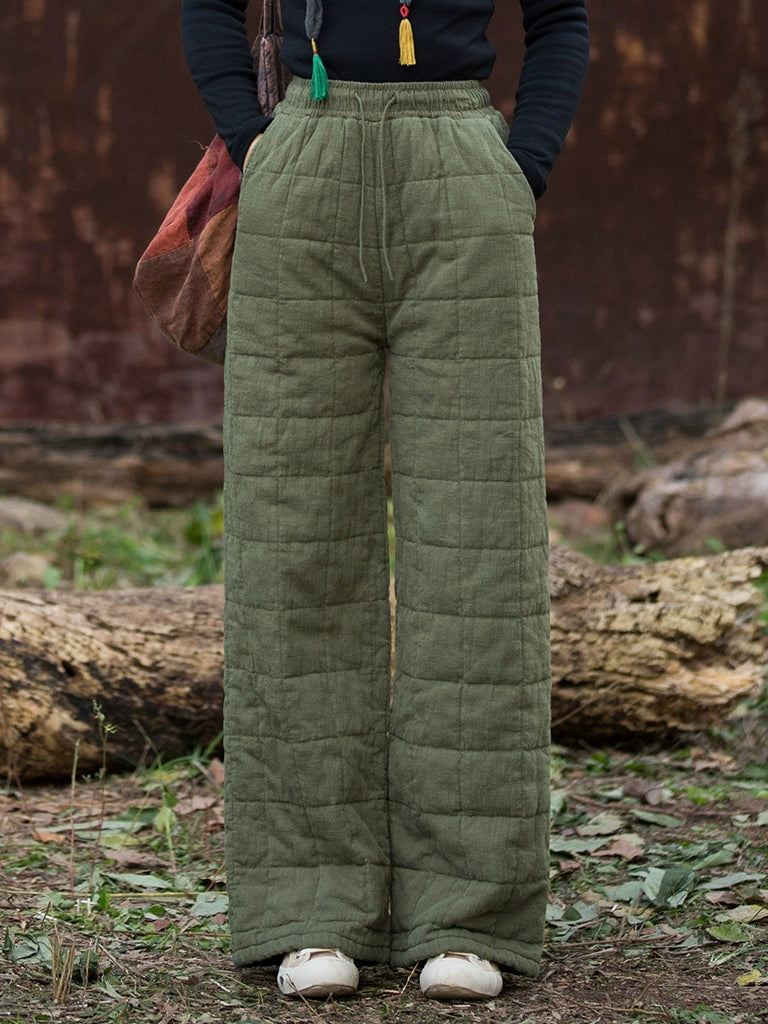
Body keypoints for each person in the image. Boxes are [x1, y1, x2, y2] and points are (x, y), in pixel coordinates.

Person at [181, 0, 589, 1002]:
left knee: (478, 556)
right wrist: (256, 141)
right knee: (293, 543)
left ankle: (471, 913)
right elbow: (206, 7)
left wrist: (522, 165)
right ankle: (310, 907)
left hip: (464, 169)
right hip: (304, 167)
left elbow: (562, 19)